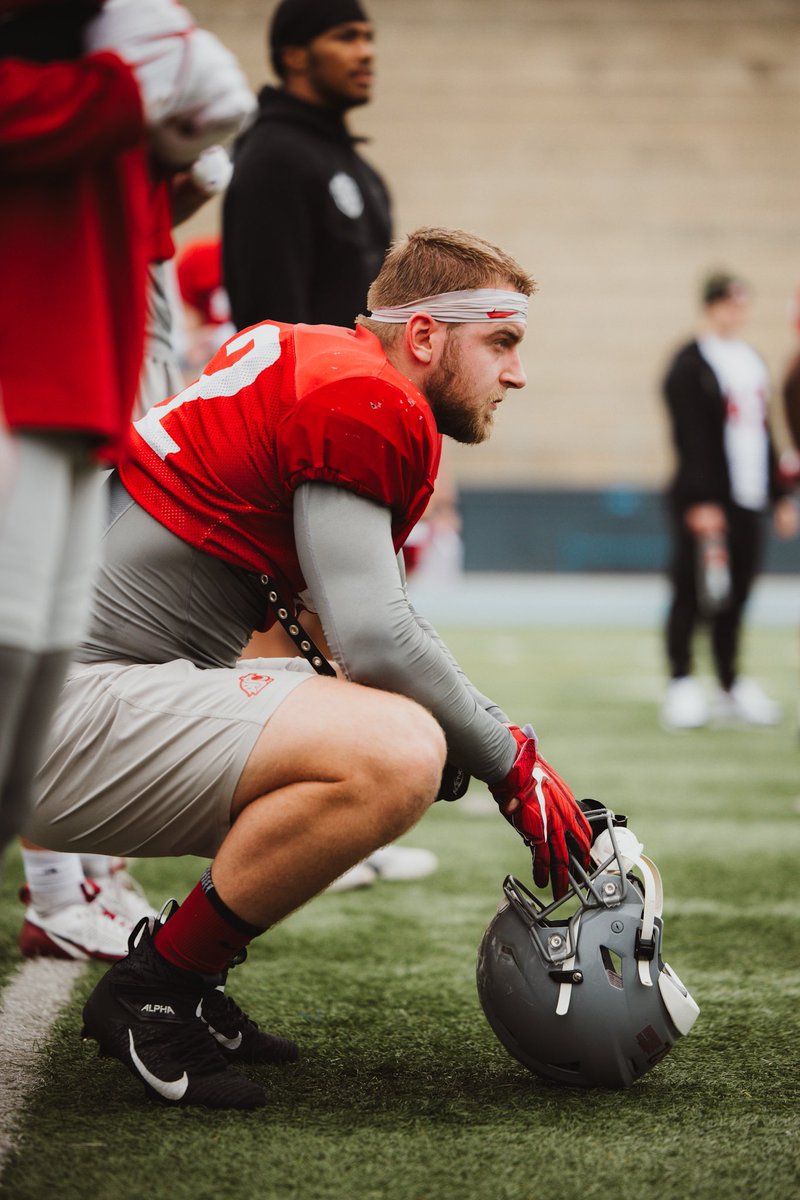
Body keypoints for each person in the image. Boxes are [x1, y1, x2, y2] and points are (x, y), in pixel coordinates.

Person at [25, 227, 593, 1111]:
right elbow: (376, 636)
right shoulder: (368, 398)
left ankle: (185, 972)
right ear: (427, 337)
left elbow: (335, 634)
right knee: (399, 750)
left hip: (64, 683)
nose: (515, 374)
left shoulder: (309, 355)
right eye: (503, 341)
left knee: (413, 738)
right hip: (57, 704)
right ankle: (154, 990)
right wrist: (510, 758)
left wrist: (463, 736)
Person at [0, 0, 254, 865]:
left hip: (78, 391)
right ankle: (66, 893)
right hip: (23, 380)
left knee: (33, 692)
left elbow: (214, 107)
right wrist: (117, 87)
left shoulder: (82, 55)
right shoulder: (83, 68)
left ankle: (69, 888)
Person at [17, 146, 238, 963]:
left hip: (100, 410)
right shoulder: (66, 115)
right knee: (45, 645)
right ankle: (54, 895)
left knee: (82, 644)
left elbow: (133, 239)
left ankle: (84, 879)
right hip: (56, 408)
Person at [660, 271, 798, 730]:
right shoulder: (690, 363)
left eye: (743, 303)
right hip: (706, 500)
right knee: (693, 591)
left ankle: (729, 682)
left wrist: (779, 494)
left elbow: (763, 431)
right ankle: (681, 682)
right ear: (711, 305)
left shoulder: (751, 360)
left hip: (748, 497)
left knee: (738, 594)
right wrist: (700, 499)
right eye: (729, 303)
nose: (736, 312)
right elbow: (690, 437)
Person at [222, 0, 392, 332]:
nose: (366, 52)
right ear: (294, 57)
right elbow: (269, 324)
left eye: (368, 38)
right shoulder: (274, 159)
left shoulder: (357, 166)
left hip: (360, 381)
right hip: (310, 382)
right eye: (347, 38)